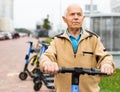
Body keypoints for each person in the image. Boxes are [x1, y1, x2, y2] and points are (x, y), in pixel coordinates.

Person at [40, 4, 115, 92]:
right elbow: (47, 56)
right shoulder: (57, 40)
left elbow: (105, 56)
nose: (76, 17)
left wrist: (106, 64)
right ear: (64, 19)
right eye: (72, 14)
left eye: (79, 14)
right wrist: (48, 63)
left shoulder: (93, 39)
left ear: (82, 18)